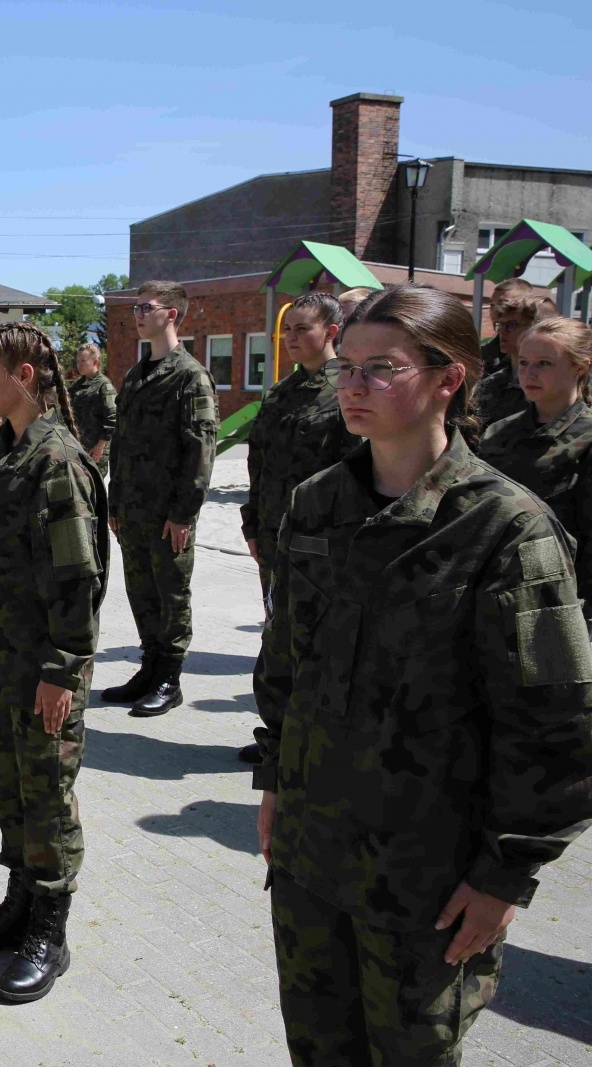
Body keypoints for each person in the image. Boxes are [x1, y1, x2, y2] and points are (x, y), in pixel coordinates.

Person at [253, 284, 592, 1066]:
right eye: (346, 368)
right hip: (310, 855)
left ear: (448, 380)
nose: (352, 386)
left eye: (381, 369)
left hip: (426, 882)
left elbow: (556, 724)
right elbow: (287, 666)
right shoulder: (317, 503)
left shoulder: (506, 527)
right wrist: (276, 777)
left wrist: (507, 873)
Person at [0, 322, 106, 1005]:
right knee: (12, 793)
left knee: (47, 799)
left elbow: (78, 579)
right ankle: (18, 901)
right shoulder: (2, 447)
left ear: (26, 377)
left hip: (42, 668)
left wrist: (61, 671)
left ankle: (50, 927)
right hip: (0, 660)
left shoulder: (57, 459)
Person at [235, 292, 358, 763]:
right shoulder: (281, 394)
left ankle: (319, 742)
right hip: (275, 540)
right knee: (278, 639)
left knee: (320, 645)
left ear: (331, 332)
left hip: (324, 547)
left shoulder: (345, 389)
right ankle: (282, 736)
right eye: (287, 330)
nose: (290, 339)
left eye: (302, 330)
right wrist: (252, 525)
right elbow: (257, 463)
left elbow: (355, 472)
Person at [100, 281, 218, 717]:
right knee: (141, 592)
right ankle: (149, 669)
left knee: (171, 594)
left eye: (145, 308)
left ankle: (170, 678)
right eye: (134, 308)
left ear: (172, 314)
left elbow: (201, 448)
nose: (137, 315)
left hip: (170, 514)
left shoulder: (189, 375)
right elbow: (123, 443)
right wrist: (114, 502)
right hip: (132, 511)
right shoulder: (136, 374)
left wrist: (184, 513)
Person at [478, 315, 592, 622]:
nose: (529, 373)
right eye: (524, 362)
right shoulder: (497, 433)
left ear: (579, 367)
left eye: (545, 364)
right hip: (494, 596)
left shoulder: (587, 438)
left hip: (560, 601)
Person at [472, 279, 543, 433]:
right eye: (492, 305)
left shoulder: (550, 376)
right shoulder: (493, 377)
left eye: (511, 325)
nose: (502, 331)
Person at [67, 343, 116, 476]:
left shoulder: (104, 385)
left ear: (95, 361)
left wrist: (100, 447)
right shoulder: (76, 386)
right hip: (78, 447)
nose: (79, 364)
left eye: (83, 360)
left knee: (95, 488)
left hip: (96, 449)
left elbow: (112, 418)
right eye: (78, 361)